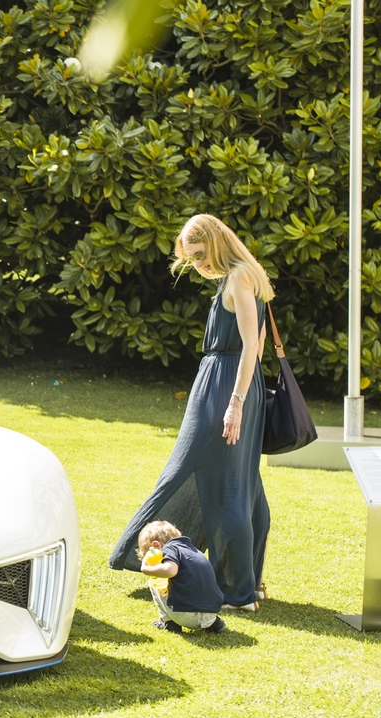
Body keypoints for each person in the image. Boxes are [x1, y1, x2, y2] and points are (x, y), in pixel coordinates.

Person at [108, 214, 273, 612]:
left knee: (213, 481)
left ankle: (236, 591)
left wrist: (235, 401)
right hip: (238, 384)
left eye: (200, 255)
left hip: (225, 387)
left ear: (216, 242)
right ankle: (249, 583)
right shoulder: (248, 275)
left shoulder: (238, 277)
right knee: (242, 485)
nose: (198, 265)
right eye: (192, 259)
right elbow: (260, 343)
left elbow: (251, 345)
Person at [138, 521, 225, 633]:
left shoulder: (169, 549)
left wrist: (146, 568)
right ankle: (215, 624)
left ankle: (169, 623)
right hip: (211, 612)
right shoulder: (194, 551)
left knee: (155, 582)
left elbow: (170, 570)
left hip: (185, 614)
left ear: (155, 546)